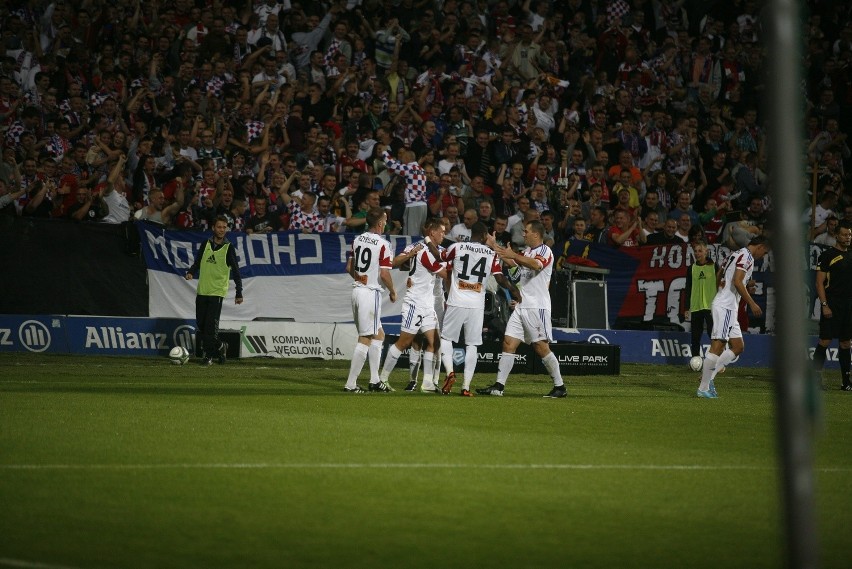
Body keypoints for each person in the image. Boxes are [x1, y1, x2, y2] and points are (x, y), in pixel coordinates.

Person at [477, 220, 567, 398]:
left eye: (526, 231)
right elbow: (516, 269)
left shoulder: (544, 251)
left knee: (541, 347)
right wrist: (497, 248)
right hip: (522, 305)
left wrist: (513, 256)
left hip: (536, 306)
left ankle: (560, 386)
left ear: (536, 234)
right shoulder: (527, 252)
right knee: (508, 343)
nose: (523, 234)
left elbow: (535, 265)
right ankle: (498, 386)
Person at [425, 222, 506, 396]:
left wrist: (427, 240)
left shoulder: (457, 247)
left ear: (471, 233)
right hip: (477, 304)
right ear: (485, 235)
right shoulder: (491, 254)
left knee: (446, 338)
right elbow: (500, 277)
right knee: (472, 344)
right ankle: (466, 387)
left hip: (457, 300)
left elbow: (439, 257)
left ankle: (450, 372)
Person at [697, 235, 770, 398]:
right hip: (726, 307)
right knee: (718, 345)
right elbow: (737, 281)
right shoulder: (747, 257)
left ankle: (708, 377)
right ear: (760, 246)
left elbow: (720, 274)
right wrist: (751, 302)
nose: (763, 256)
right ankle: (703, 388)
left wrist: (724, 291)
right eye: (764, 252)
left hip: (728, 306)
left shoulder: (735, 254)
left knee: (738, 347)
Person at [378, 219, 446, 393]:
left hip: (428, 304)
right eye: (442, 232)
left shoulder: (437, 251)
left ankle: (428, 383)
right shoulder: (423, 250)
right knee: (404, 342)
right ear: (432, 233)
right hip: (415, 303)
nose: (444, 235)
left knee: (435, 342)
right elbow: (396, 262)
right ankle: (382, 379)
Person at [344, 207, 398, 393]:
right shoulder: (383, 244)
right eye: (385, 221)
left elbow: (349, 267)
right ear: (380, 223)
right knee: (365, 338)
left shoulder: (357, 240)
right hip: (370, 293)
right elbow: (384, 274)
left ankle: (375, 380)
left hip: (357, 291)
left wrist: (360, 278)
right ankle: (350, 384)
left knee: (378, 334)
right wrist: (392, 291)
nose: (386, 224)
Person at [185, 216, 244, 366]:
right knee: (201, 325)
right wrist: (191, 272)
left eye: (224, 227)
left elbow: (236, 272)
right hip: (202, 290)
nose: (222, 230)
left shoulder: (228, 248)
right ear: (213, 228)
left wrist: (239, 292)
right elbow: (198, 262)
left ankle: (208, 356)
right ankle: (220, 346)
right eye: (219, 227)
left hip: (217, 292)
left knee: (210, 326)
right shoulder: (206, 244)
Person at [812, 223, 852, 390]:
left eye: (850, 235)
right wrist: (824, 305)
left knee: (846, 343)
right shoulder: (828, 255)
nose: (848, 237)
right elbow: (819, 283)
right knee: (825, 340)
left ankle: (846, 382)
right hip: (832, 303)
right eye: (844, 235)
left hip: (849, 306)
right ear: (836, 235)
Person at [684, 241, 716, 360]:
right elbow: (688, 289)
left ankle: (716, 360)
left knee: (712, 334)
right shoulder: (691, 269)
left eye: (700, 251)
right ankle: (695, 360)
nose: (697, 253)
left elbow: (720, 285)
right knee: (695, 336)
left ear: (706, 251)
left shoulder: (714, 267)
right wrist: (686, 308)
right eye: (695, 251)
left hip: (711, 307)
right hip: (696, 306)